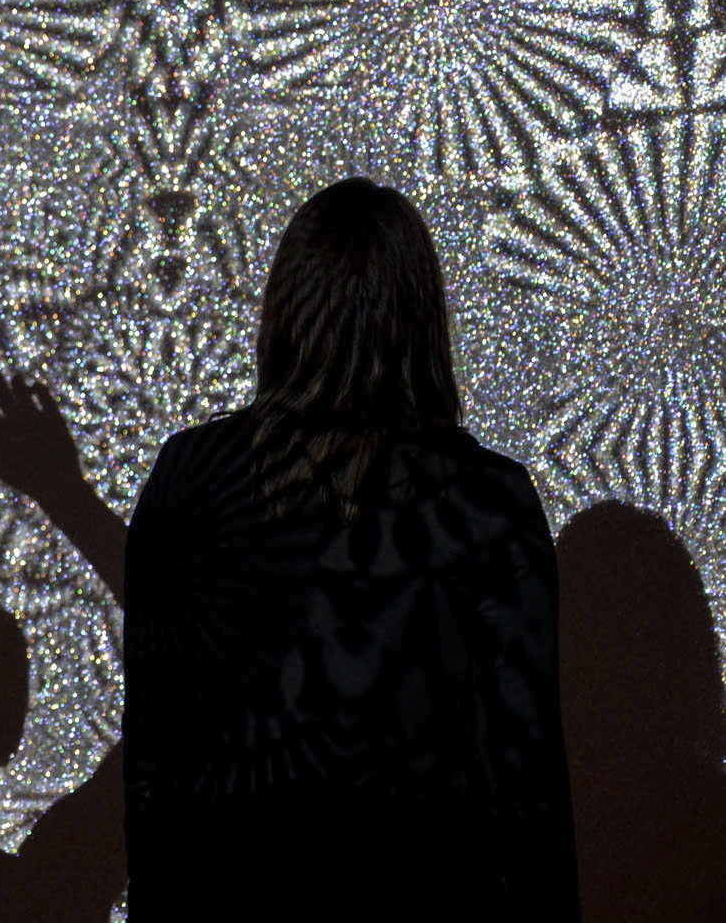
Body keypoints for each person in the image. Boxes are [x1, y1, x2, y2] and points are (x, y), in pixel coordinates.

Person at [123, 178, 579, 919]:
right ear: (419, 318)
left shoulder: (193, 474)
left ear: (285, 314)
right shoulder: (488, 499)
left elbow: (154, 758)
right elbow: (524, 781)